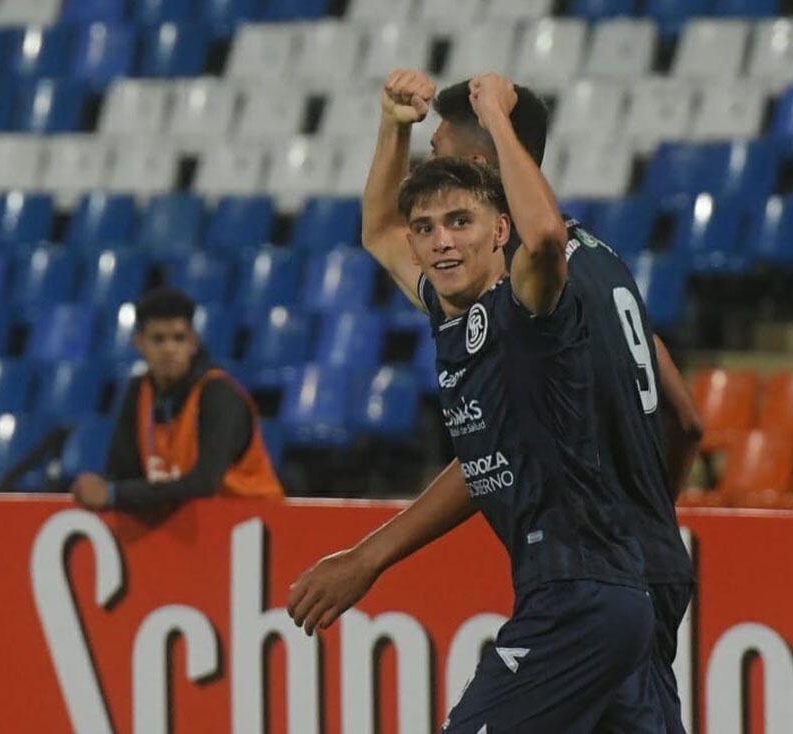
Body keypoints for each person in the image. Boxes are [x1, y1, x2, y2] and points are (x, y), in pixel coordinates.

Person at [295, 71, 702, 728]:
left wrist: (370, 556)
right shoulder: (604, 266)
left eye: (442, 167)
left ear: (485, 179)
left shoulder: (533, 292)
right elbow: (686, 417)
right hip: (641, 556)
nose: (432, 217)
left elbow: (510, 440)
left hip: (587, 569)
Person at [71, 287, 284, 511]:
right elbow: (122, 473)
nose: (169, 349)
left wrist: (114, 494)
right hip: (190, 524)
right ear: (139, 344)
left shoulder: (218, 394)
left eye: (179, 338)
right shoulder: (138, 391)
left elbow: (204, 484)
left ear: (193, 343)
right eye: (158, 339)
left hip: (256, 521)